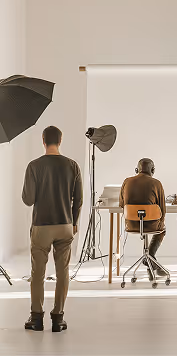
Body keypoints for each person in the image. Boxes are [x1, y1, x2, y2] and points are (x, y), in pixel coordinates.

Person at [22, 126, 83, 332]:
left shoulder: (34, 166)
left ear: (43, 140)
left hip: (41, 226)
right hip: (65, 225)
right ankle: (58, 319)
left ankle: (36, 318)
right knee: (63, 272)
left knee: (37, 273)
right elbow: (79, 199)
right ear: (61, 140)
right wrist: (74, 222)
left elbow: (28, 200)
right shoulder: (72, 166)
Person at [119, 158, 167, 279]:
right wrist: (160, 222)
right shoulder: (157, 183)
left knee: (157, 226)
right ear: (153, 170)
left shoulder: (126, 181)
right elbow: (162, 210)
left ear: (137, 170)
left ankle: (150, 261)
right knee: (162, 229)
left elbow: (121, 205)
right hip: (151, 225)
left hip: (131, 225)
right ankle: (150, 258)